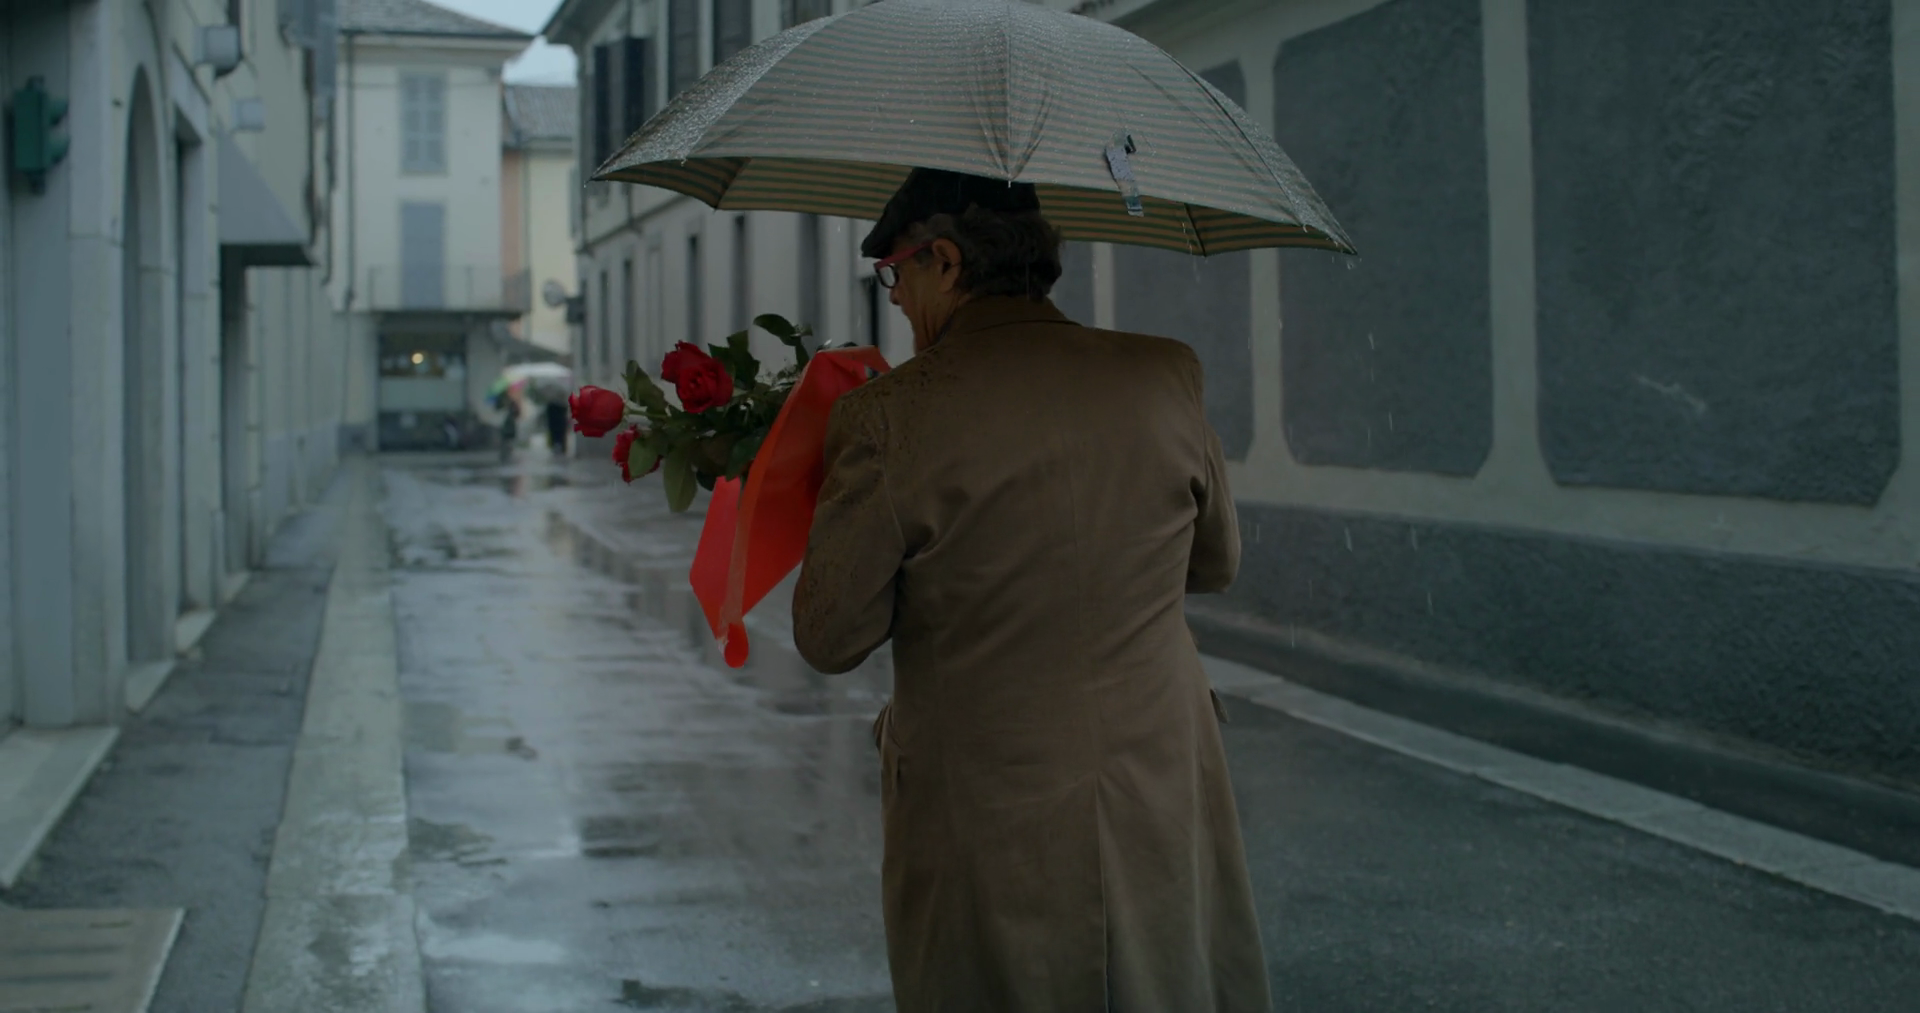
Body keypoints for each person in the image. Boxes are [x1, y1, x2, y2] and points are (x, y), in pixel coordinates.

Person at [793, 168, 1270, 1011]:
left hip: (984, 801)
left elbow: (830, 636)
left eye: (895, 275)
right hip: (1157, 777)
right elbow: (1214, 563)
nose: (895, 300)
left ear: (946, 261)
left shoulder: (893, 415)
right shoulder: (1164, 373)